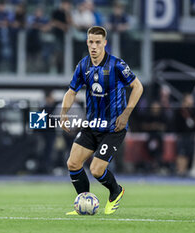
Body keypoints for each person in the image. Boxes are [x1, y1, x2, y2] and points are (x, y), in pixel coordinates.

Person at [60, 26, 143, 215]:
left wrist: (126, 114)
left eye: (98, 42)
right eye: (91, 42)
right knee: (73, 163)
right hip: (92, 125)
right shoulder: (83, 65)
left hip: (114, 127)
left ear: (105, 43)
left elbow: (138, 87)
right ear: (87, 43)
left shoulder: (116, 65)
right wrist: (64, 112)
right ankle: (85, 201)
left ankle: (116, 191)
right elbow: (71, 91)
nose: (94, 46)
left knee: (96, 169)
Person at [174, 94, 195, 176]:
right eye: (190, 99)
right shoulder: (179, 111)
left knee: (187, 154)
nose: (192, 101)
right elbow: (176, 123)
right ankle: (180, 170)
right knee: (181, 153)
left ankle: (184, 171)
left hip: (189, 136)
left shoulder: (191, 111)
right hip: (181, 135)